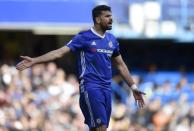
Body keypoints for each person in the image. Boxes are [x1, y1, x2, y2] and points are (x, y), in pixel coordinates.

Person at [16, 5, 145, 131]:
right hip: (91, 87)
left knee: (98, 127)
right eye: (107, 16)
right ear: (97, 19)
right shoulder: (83, 37)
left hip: (106, 89)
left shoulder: (112, 40)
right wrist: (35, 60)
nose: (111, 19)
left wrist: (133, 87)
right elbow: (59, 52)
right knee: (101, 127)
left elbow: (120, 65)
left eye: (111, 16)